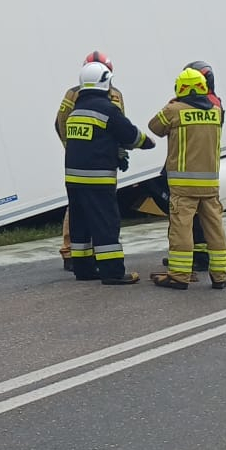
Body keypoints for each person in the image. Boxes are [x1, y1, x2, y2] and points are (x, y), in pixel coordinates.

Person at [63, 60, 150, 284]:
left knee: (80, 224)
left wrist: (115, 151)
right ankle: (112, 272)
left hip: (73, 179)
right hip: (98, 179)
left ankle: (83, 269)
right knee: (106, 224)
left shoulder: (76, 110)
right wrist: (146, 142)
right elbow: (129, 134)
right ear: (104, 83)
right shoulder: (106, 109)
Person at [149, 67, 226, 290]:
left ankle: (179, 276)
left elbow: (154, 127)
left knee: (181, 229)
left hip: (183, 186)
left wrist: (172, 103)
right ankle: (220, 276)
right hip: (210, 184)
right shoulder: (216, 111)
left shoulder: (174, 110)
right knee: (215, 230)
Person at [55, 51, 113, 269]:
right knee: (78, 207)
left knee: (102, 209)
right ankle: (70, 251)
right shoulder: (73, 94)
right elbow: (61, 122)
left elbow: (117, 122)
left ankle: (99, 251)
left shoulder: (115, 94)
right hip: (87, 161)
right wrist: (73, 146)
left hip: (104, 161)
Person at [183, 60, 221, 274]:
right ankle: (208, 260)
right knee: (209, 219)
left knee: (188, 219)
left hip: (189, 170)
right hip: (209, 171)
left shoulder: (188, 105)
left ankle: (195, 259)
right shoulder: (215, 103)